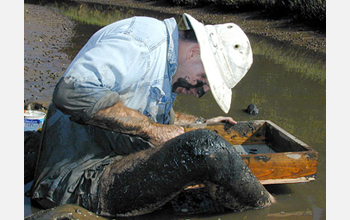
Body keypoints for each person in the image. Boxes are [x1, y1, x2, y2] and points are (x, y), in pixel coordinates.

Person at [29, 13, 273, 217]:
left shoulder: (167, 57)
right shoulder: (140, 44)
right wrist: (151, 129)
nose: (200, 93)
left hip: (110, 158)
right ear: (194, 53)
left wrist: (200, 122)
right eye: (204, 81)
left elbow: (148, 111)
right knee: (205, 148)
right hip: (76, 181)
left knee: (201, 137)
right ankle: (269, 208)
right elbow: (71, 91)